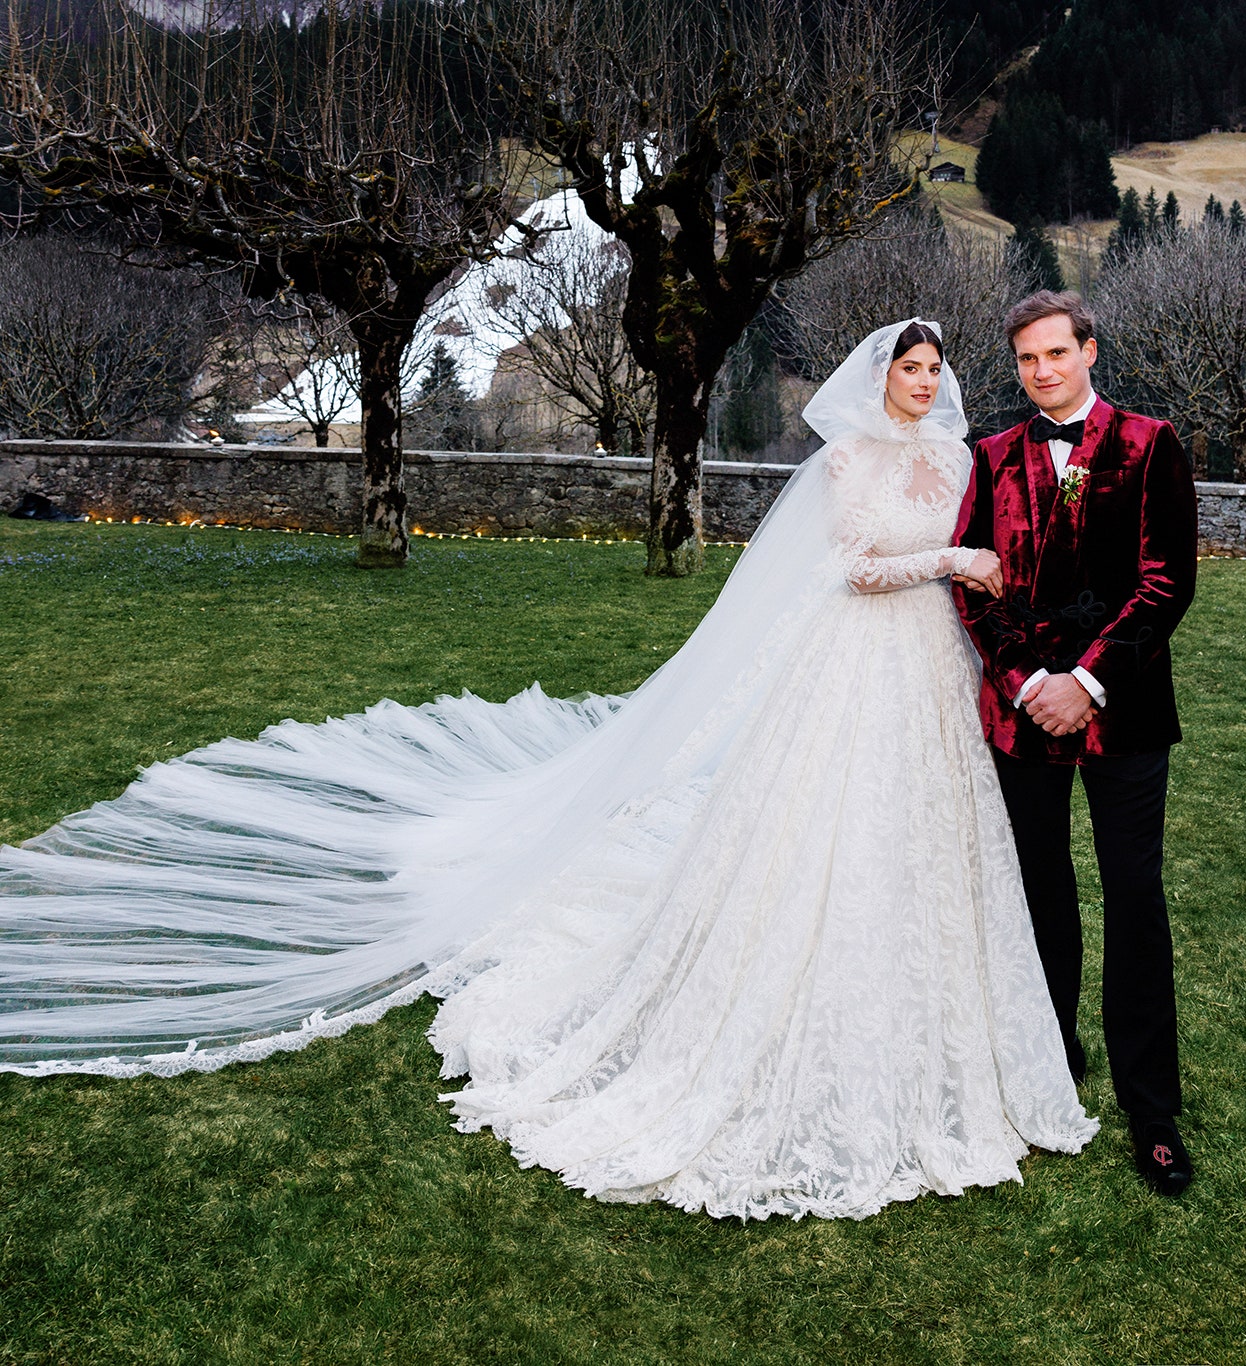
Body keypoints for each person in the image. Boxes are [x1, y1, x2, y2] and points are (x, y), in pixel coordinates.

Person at [0, 321, 1097, 1220]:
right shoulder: (849, 459)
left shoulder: (962, 456)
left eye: (931, 369)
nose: (920, 383)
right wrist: (953, 559)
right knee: (821, 831)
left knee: (936, 835)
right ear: (877, 377)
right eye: (905, 369)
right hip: (859, 664)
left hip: (940, 670)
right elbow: (857, 570)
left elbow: (1004, 548)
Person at [952, 291, 1199, 1197]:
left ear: (1089, 351)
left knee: (1135, 897)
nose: (1043, 371)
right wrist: (1025, 683)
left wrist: (1086, 682)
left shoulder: (1149, 443)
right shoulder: (991, 456)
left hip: (1124, 711)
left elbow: (1167, 582)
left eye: (1057, 353)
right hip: (1023, 717)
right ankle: (1050, 1056)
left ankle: (1152, 1106)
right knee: (1040, 892)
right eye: (1026, 359)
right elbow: (974, 587)